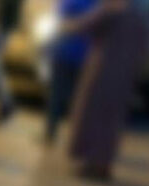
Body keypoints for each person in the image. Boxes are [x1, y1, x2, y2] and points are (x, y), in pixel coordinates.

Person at [64, 0, 149, 181]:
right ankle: (104, 164)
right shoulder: (139, 18)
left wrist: (66, 25)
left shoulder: (111, 10)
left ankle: (92, 162)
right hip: (125, 76)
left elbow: (84, 26)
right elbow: (144, 48)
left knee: (94, 117)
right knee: (112, 120)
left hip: (102, 71)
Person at [43, 0, 97, 148]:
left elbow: (58, 22)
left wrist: (48, 46)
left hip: (64, 52)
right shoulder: (96, 3)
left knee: (56, 94)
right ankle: (76, 136)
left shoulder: (68, 2)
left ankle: (50, 133)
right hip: (84, 55)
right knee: (78, 97)